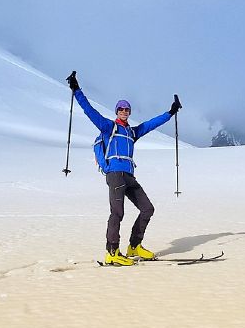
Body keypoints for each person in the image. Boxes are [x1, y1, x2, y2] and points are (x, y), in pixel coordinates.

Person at [67, 72, 181, 266]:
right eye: (120, 108)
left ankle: (134, 246)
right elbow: (89, 110)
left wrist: (170, 112)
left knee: (147, 209)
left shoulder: (131, 132)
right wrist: (76, 89)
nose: (124, 111)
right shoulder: (108, 127)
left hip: (129, 176)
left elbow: (151, 124)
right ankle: (112, 252)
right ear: (116, 111)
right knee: (117, 213)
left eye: (127, 109)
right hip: (115, 174)